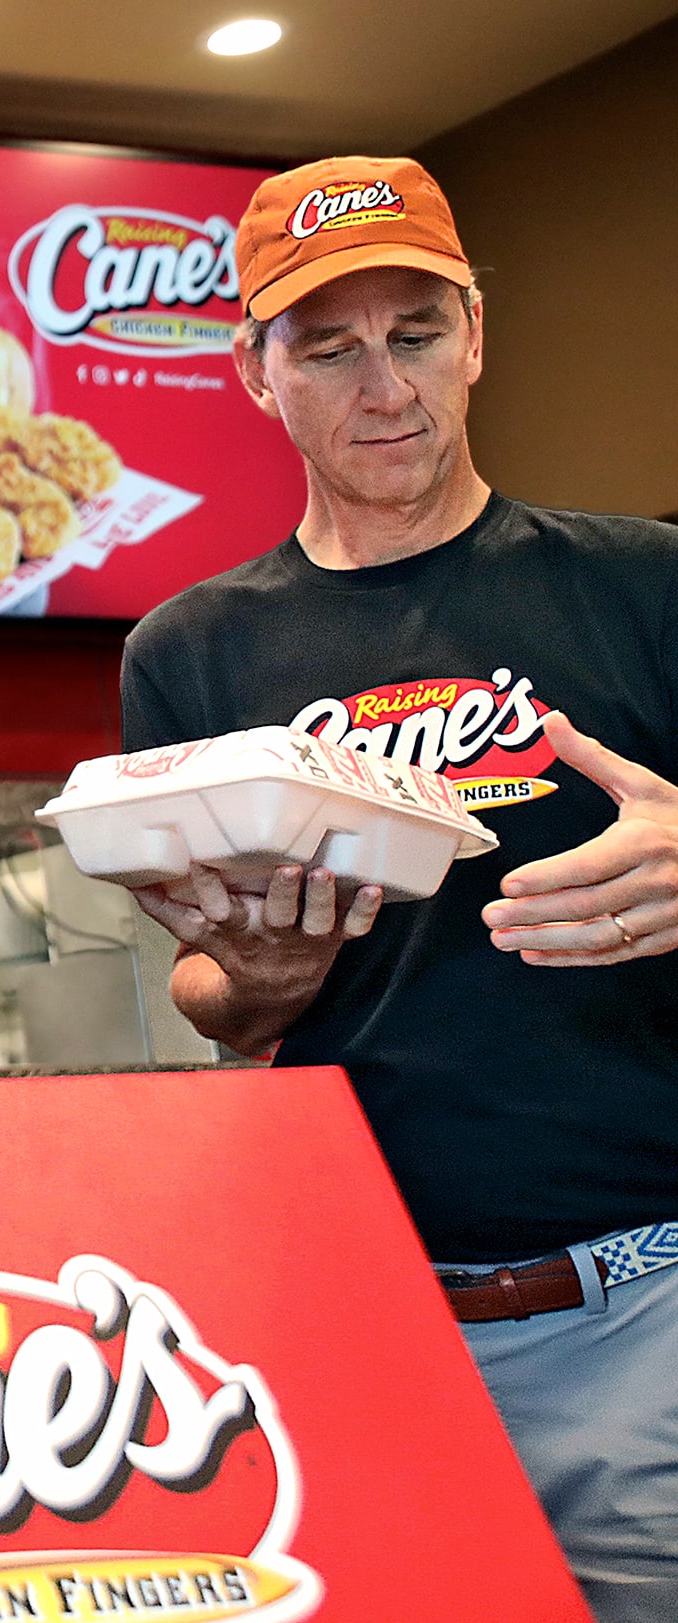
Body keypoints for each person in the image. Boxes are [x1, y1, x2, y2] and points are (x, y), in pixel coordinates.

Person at [121, 155, 678, 1619]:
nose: (387, 388)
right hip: (344, 1320)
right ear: (257, 372)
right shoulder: (191, 653)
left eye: (417, 334)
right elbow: (203, 993)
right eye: (330, 347)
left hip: (644, 1313)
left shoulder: (648, 585)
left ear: (477, 335)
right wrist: (260, 985)